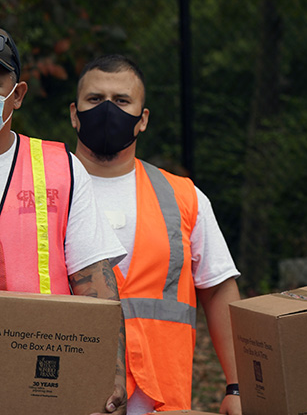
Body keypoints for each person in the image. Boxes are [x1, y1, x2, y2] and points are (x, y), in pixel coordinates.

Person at [69, 54, 242, 415]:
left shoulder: (183, 196)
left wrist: (238, 386)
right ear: (74, 113)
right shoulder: (45, 190)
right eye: (95, 99)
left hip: (164, 401)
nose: (107, 110)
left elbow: (218, 288)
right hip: (70, 395)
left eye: (121, 101)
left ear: (142, 119)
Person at [0, 29, 128, 415]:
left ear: (17, 94)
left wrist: (111, 379)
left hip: (39, 389)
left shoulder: (59, 170)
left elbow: (97, 289)